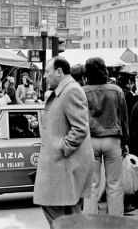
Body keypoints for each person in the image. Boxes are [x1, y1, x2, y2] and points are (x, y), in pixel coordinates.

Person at [34, 56, 94, 228]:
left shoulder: (71, 90)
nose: (45, 76)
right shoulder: (67, 90)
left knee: (56, 209)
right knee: (69, 213)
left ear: (59, 72)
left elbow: (81, 128)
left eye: (47, 72)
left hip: (65, 164)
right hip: (64, 164)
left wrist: (62, 147)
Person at [83, 57, 129, 216]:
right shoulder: (116, 90)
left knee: (92, 185)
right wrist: (125, 141)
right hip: (112, 138)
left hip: (90, 140)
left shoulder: (83, 91)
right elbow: (124, 118)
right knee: (114, 184)